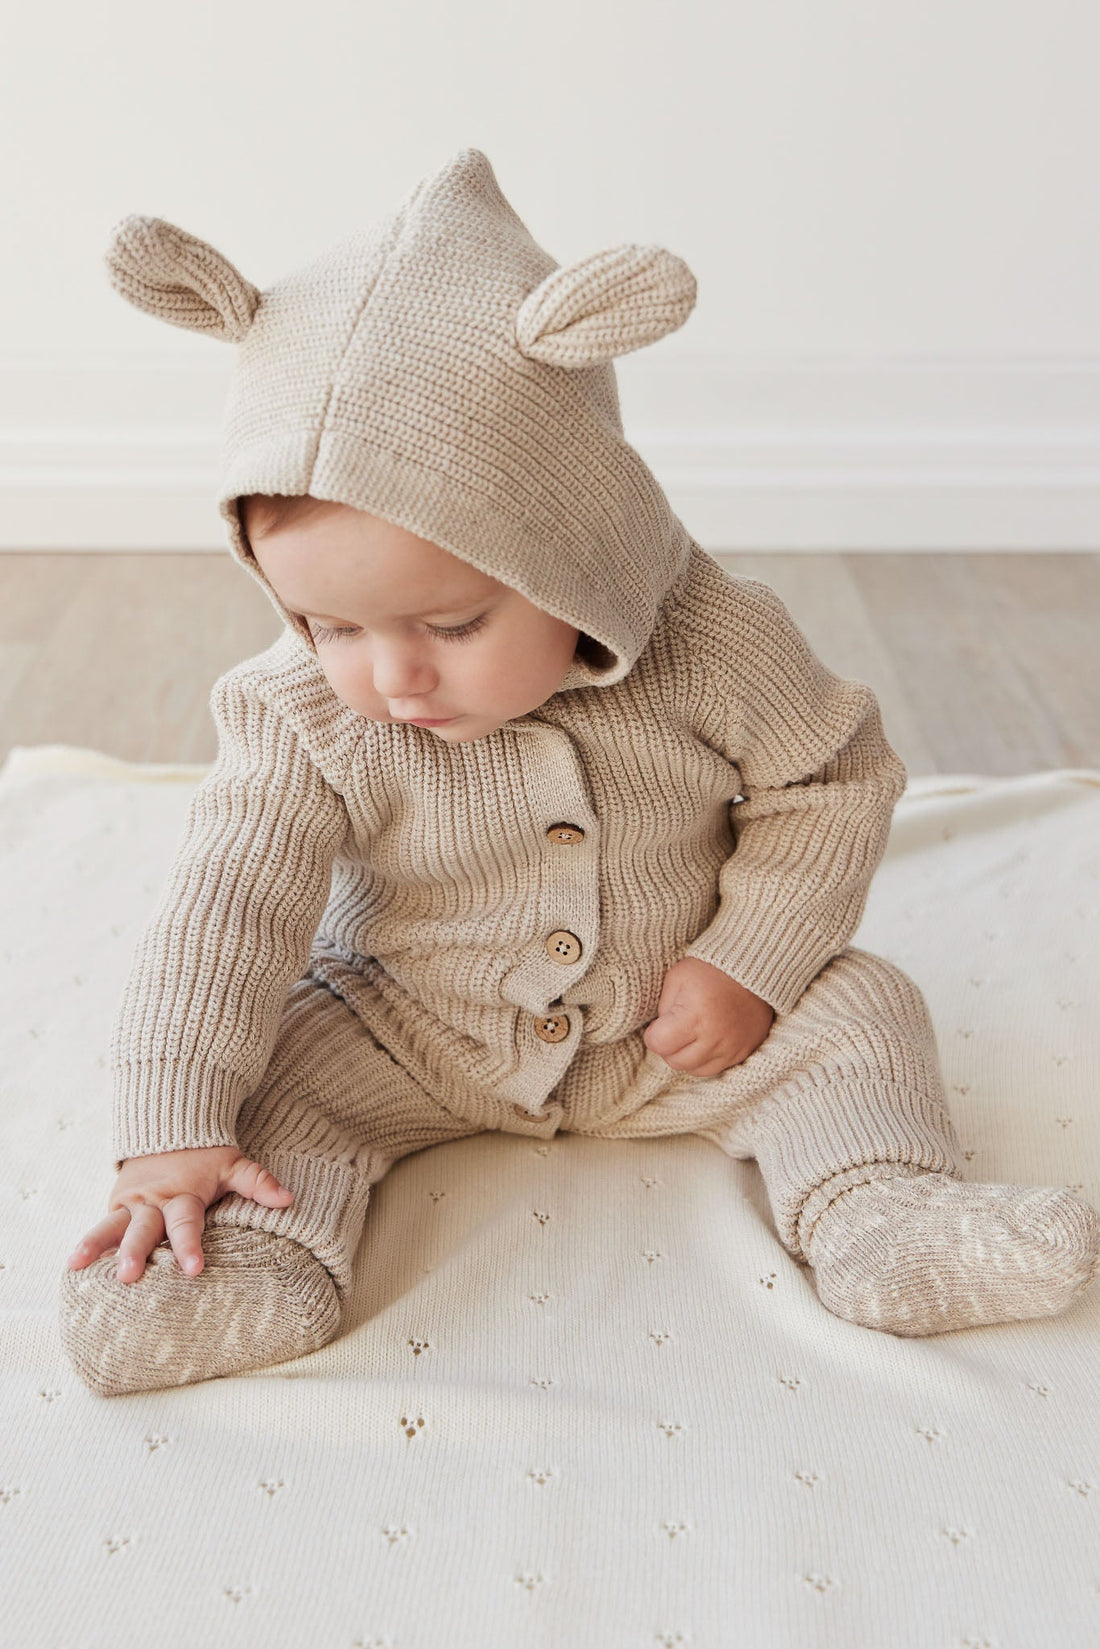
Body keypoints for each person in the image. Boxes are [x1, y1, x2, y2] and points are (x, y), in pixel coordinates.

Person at [59, 147, 1100, 1397]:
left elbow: (829, 783)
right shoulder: (297, 712)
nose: (394, 675)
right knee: (280, 1061)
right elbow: (225, 909)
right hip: (408, 1022)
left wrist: (748, 961)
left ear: (576, 551)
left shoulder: (718, 645)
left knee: (860, 1009)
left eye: (451, 624)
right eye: (328, 626)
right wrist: (171, 1128)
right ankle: (248, 1257)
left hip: (682, 1021)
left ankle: (883, 1213)